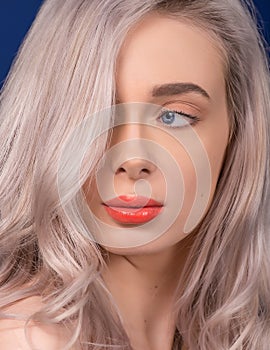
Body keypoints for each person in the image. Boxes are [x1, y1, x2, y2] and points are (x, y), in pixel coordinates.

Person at [0, 0, 269, 349]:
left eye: (174, 116)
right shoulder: (28, 340)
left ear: (238, 133)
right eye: (94, 113)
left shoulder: (243, 337)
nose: (131, 159)